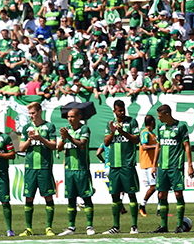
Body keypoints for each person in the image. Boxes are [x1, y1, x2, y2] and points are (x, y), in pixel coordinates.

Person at [151, 104, 194, 233]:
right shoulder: (160, 127)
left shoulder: (181, 126)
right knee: (161, 194)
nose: (158, 118)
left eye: (160, 116)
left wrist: (190, 165)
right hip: (163, 167)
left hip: (176, 166)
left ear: (167, 115)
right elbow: (158, 146)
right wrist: (154, 164)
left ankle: (180, 225)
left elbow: (187, 146)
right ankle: (163, 226)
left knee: (178, 193)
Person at [19, 101, 57, 236]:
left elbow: (54, 145)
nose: (31, 116)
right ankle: (28, 228)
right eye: (29, 114)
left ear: (40, 112)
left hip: (44, 167)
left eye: (33, 113)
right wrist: (29, 140)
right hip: (30, 168)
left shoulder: (49, 126)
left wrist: (40, 138)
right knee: (29, 197)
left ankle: (49, 228)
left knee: (48, 196)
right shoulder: (26, 128)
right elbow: (21, 148)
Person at [103, 99, 141, 235]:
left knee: (131, 194)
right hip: (114, 165)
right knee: (114, 196)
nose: (122, 112)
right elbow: (106, 143)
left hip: (127, 165)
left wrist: (123, 132)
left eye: (123, 109)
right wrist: (113, 132)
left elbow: (137, 139)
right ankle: (116, 226)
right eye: (119, 110)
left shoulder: (132, 122)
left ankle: (134, 226)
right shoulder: (110, 124)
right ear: (114, 111)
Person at [56, 108, 95, 236]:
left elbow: (82, 145)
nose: (70, 119)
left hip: (81, 169)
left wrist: (69, 137)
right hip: (69, 170)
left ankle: (89, 226)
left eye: (72, 116)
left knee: (86, 198)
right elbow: (60, 148)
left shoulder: (84, 129)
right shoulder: (66, 130)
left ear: (79, 117)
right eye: (68, 117)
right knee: (71, 199)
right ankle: (71, 227)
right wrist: (63, 138)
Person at [139, 115, 158, 217]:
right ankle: (142, 205)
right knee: (153, 186)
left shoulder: (152, 134)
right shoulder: (145, 133)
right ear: (151, 122)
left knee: (160, 186)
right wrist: (156, 146)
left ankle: (160, 209)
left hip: (155, 163)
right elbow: (144, 146)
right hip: (148, 164)